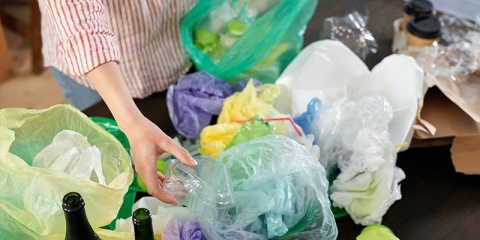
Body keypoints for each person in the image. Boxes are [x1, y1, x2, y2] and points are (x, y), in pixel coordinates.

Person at [38, 0, 198, 204]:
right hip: (95, 66)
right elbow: (82, 25)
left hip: (173, 39)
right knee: (100, 155)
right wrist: (132, 123)